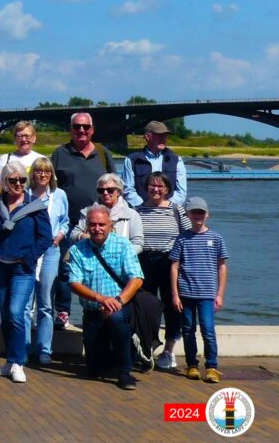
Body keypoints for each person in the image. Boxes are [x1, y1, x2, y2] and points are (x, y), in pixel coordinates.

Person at [0, 161, 52, 384]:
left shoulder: (36, 206)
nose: (18, 183)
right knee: (5, 315)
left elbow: (45, 238)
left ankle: (19, 362)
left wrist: (28, 257)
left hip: (22, 268)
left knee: (15, 312)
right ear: (4, 182)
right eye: (13, 180)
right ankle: (10, 361)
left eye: (22, 180)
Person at [68, 204, 144, 390]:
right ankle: (128, 351)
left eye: (101, 224)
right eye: (92, 225)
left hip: (120, 304)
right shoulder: (77, 250)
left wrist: (116, 302)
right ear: (86, 226)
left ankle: (124, 372)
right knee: (94, 370)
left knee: (116, 320)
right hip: (93, 309)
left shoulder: (123, 245)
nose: (97, 229)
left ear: (110, 224)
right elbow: (74, 284)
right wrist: (100, 299)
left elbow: (137, 278)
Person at [50, 112, 115, 329]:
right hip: (67, 223)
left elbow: (114, 185)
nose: (81, 131)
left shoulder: (103, 154)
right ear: (71, 129)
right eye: (77, 127)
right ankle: (63, 311)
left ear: (92, 129)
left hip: (98, 224)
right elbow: (50, 186)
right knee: (65, 269)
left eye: (86, 127)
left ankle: (103, 310)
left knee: (100, 269)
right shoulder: (60, 153)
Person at [136, 172, 191, 371]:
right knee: (146, 306)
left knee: (172, 306)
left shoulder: (177, 210)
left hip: (169, 262)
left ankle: (168, 350)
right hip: (144, 260)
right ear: (146, 187)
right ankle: (146, 347)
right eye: (152, 185)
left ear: (167, 189)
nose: (156, 189)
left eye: (160, 186)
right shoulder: (138, 210)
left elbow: (189, 235)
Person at [170, 197, 228, 384]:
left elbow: (222, 267)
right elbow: (174, 266)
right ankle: (191, 364)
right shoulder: (182, 238)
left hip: (208, 294)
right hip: (186, 293)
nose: (197, 216)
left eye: (201, 212)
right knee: (187, 329)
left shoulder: (216, 238)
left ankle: (212, 366)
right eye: (194, 212)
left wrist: (220, 294)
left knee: (208, 329)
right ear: (188, 214)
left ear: (207, 214)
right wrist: (175, 294)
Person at [25, 156, 69, 365]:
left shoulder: (59, 195)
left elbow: (65, 222)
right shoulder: (25, 195)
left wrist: (60, 236)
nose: (43, 175)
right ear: (32, 174)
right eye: (39, 171)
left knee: (45, 302)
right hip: (28, 251)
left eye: (47, 172)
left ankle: (44, 349)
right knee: (25, 303)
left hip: (51, 251)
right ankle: (22, 348)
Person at [70, 173, 144, 254]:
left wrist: (123, 256)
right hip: (90, 259)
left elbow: (138, 243)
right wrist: (85, 237)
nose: (105, 193)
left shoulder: (131, 215)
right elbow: (73, 235)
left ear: (119, 192)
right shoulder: (88, 212)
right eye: (101, 190)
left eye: (110, 190)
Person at [122, 121, 187, 207]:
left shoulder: (176, 160)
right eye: (160, 135)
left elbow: (181, 192)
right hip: (141, 212)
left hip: (169, 213)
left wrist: (167, 206)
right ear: (148, 136)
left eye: (165, 136)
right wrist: (143, 206)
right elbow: (128, 190)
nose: (163, 138)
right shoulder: (132, 160)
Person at [0, 122, 42, 194]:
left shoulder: (41, 159)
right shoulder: (5, 159)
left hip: (35, 203)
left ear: (34, 138)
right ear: (14, 139)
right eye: (19, 136)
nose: (23, 139)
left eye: (27, 136)